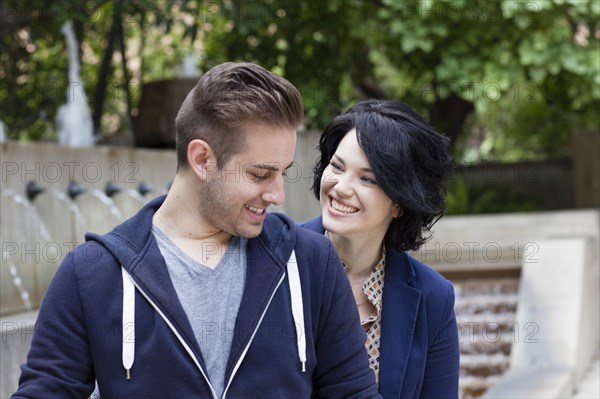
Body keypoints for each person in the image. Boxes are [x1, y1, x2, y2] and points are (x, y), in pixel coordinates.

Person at [13, 63, 381, 398]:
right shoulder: (90, 274)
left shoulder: (312, 262)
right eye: (259, 174)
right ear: (202, 159)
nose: (277, 195)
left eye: (282, 173)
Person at [301, 99, 460, 398]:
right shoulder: (276, 258)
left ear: (399, 202)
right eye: (336, 166)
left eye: (367, 179)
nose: (341, 187)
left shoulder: (433, 297)